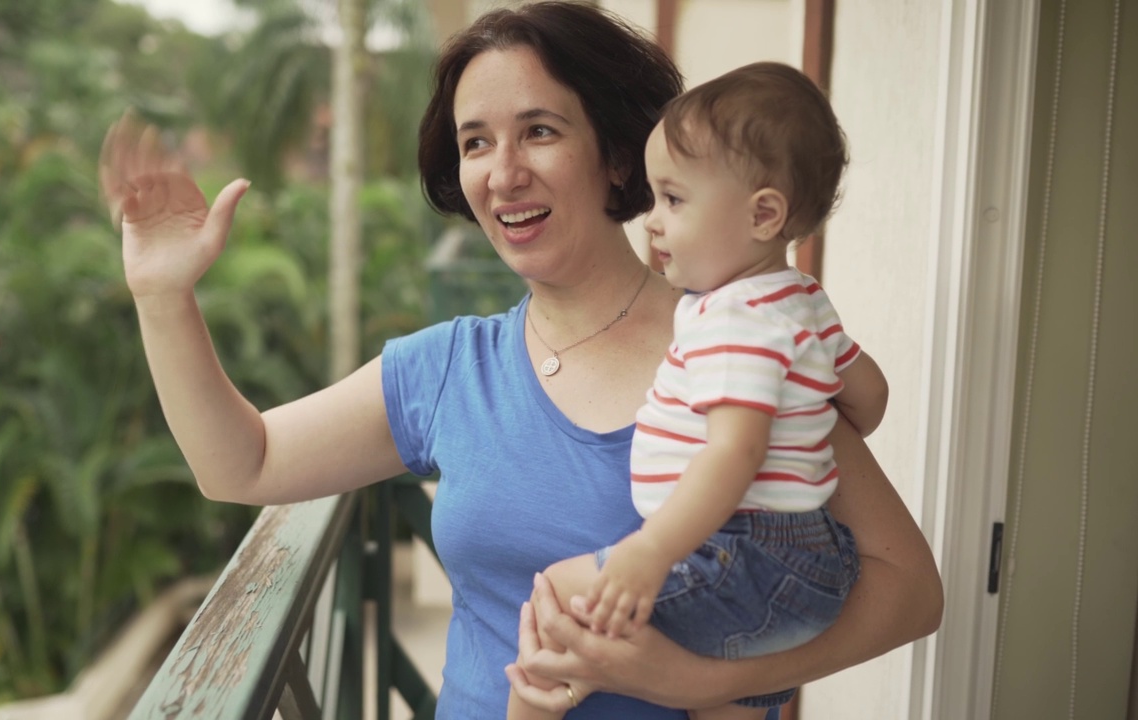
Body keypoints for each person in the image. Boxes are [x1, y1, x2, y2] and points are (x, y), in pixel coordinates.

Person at [98, 2, 943, 718]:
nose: (503, 174)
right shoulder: (448, 369)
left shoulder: (733, 341)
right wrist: (163, 297)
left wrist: (694, 680)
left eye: (538, 131)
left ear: (617, 153)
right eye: (474, 143)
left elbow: (909, 587)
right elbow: (239, 463)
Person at [507, 61, 888, 720]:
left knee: (561, 595)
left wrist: (649, 553)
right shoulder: (803, 300)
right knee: (730, 698)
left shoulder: (733, 319)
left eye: (674, 200)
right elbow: (870, 396)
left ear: (762, 214)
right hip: (818, 560)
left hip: (748, 554)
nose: (652, 222)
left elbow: (732, 455)